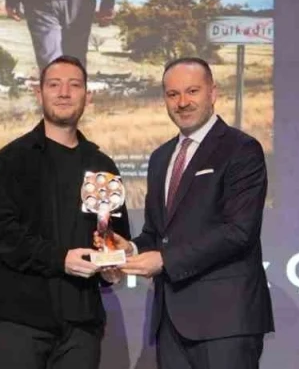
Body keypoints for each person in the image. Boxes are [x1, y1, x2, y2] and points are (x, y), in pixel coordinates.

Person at [101, 57, 274, 369]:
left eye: (192, 91)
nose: (182, 102)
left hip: (226, 321)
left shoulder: (241, 149)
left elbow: (239, 231)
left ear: (213, 92)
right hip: (170, 322)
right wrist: (131, 249)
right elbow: (158, 233)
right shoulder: (161, 157)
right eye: (173, 94)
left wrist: (165, 260)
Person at [0, 55, 132, 368]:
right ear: (39, 93)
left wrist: (113, 262)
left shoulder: (102, 166)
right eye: (54, 85)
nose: (64, 92)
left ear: (87, 96)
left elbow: (116, 236)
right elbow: (0, 233)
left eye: (74, 85)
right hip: (19, 318)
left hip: (82, 323)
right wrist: (60, 259)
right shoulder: (12, 160)